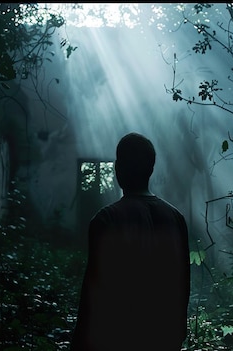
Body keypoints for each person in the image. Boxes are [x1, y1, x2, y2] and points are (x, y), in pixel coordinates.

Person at [71, 132, 190, 351]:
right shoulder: (176, 218)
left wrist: (80, 340)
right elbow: (183, 283)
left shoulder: (106, 220)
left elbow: (94, 291)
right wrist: (178, 333)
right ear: (151, 169)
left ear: (118, 169)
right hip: (164, 336)